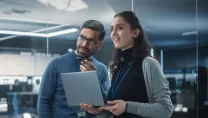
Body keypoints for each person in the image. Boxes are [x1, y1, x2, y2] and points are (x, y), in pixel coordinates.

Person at [80, 11, 173, 118]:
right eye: (112, 29)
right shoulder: (117, 67)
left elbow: (166, 109)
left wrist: (127, 106)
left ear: (135, 33)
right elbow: (111, 111)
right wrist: (99, 111)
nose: (113, 33)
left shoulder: (149, 64)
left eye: (119, 28)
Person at [37, 20, 111, 118]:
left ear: (100, 45)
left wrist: (93, 79)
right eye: (82, 38)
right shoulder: (56, 64)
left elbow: (106, 105)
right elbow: (43, 101)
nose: (84, 44)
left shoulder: (102, 69)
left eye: (91, 41)